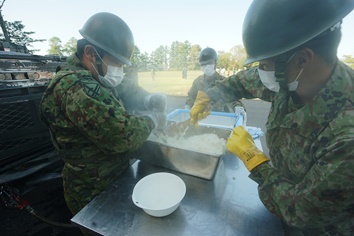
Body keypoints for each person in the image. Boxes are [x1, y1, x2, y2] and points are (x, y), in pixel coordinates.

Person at [190, 0, 354, 235]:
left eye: (265, 64)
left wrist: (253, 159)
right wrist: (209, 96)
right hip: (280, 204)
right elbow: (243, 82)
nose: (261, 72)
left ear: (303, 58)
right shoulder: (291, 77)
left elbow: (300, 211)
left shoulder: (347, 136)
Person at [40, 12, 167, 217]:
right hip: (92, 191)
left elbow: (124, 88)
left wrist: (148, 99)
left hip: (113, 178)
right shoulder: (75, 86)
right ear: (90, 52)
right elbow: (120, 136)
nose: (119, 70)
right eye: (116, 63)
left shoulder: (95, 74)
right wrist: (152, 120)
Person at [185, 47, 245, 113]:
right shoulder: (198, 82)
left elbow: (233, 98)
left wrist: (238, 107)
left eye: (209, 63)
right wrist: (188, 107)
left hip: (220, 117)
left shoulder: (223, 81)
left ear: (215, 63)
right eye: (204, 64)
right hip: (202, 118)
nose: (207, 67)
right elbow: (191, 97)